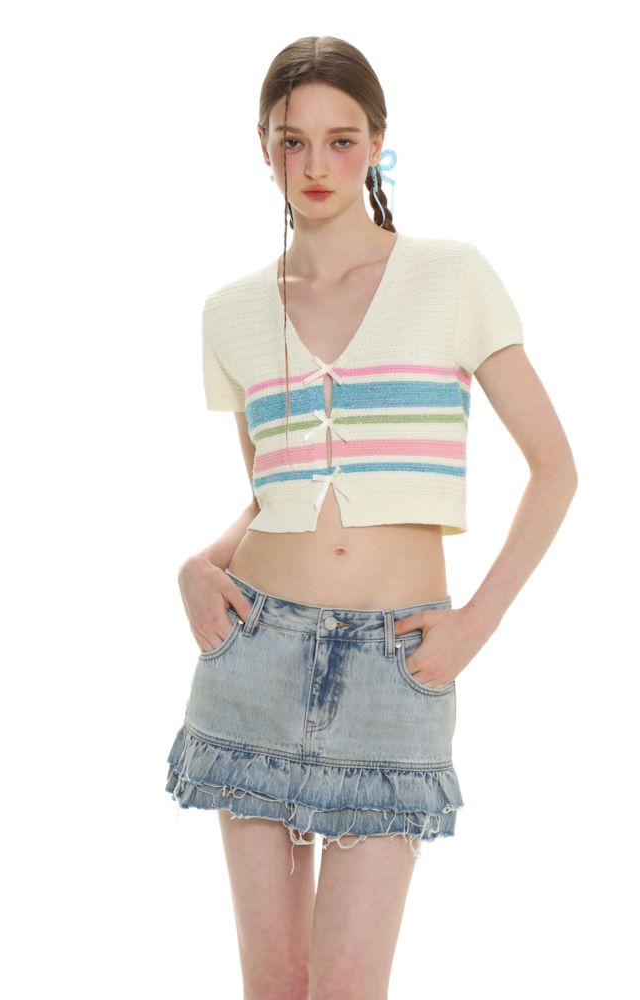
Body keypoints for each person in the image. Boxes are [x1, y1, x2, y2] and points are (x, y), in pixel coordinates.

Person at [166, 35, 578, 1000]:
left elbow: (556, 470)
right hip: (255, 654)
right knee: (276, 984)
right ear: (263, 148)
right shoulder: (231, 313)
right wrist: (200, 564)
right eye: (293, 141)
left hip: (397, 666)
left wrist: (475, 625)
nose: (316, 165)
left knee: (349, 985)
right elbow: (276, 489)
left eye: (341, 140)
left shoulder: (452, 278)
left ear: (379, 145)